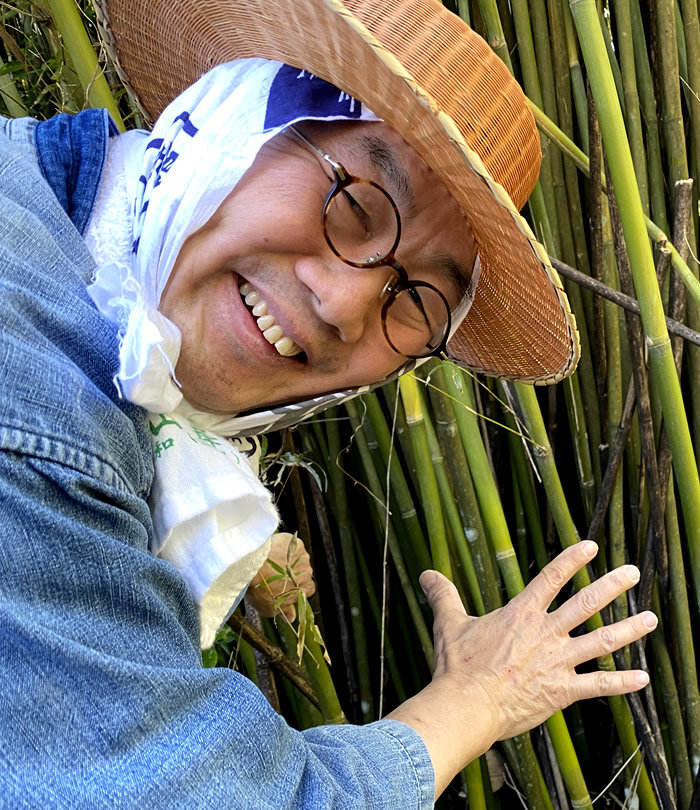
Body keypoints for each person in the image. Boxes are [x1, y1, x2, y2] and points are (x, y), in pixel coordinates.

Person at [0, 0, 656, 806]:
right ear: (236, 113)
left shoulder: (37, 203)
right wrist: (476, 700)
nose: (347, 306)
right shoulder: (38, 420)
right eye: (355, 199)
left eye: (415, 298)